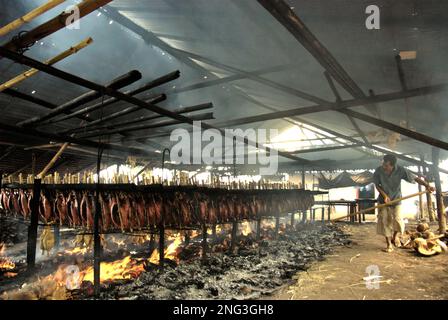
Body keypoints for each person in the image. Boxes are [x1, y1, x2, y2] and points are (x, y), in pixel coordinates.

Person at [373, 154, 434, 252]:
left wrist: (427, 185)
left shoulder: (401, 170)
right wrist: (385, 196)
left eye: (386, 165)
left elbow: (415, 178)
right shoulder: (378, 170)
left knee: (398, 220)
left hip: (397, 199)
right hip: (383, 200)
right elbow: (377, 185)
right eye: (383, 163)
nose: (384, 166)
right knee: (385, 221)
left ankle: (394, 237)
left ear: (392, 165)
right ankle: (389, 244)